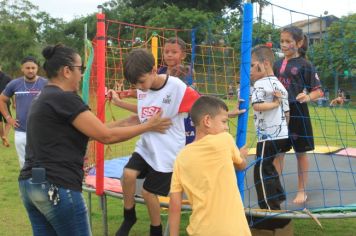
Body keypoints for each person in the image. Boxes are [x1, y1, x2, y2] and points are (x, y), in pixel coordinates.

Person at [18, 44, 172, 236]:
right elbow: (105, 136)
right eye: (80, 69)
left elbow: (94, 131)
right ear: (67, 71)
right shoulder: (65, 98)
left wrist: (130, 121)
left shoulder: (44, 97)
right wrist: (149, 126)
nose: (82, 75)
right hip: (57, 184)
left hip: (30, 184)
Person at [111, 48, 200, 236]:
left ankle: (156, 230)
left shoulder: (176, 87)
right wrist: (120, 104)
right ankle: (129, 217)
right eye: (135, 84)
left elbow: (202, 105)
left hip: (167, 153)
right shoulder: (143, 88)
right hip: (146, 147)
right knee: (127, 175)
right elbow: (143, 113)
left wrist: (226, 114)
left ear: (153, 70)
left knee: (148, 192)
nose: (140, 87)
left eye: (141, 82)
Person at [168, 95, 251, 236]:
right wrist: (241, 155)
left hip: (199, 230)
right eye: (224, 122)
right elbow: (241, 165)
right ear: (207, 121)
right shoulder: (225, 140)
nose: (226, 128)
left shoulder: (181, 157)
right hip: (232, 230)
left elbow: (175, 202)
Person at [273, 26, 323, 204]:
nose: (284, 45)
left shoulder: (305, 65)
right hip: (278, 112)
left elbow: (318, 91)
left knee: (301, 152)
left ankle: (302, 191)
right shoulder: (277, 64)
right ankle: (275, 189)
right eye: (282, 41)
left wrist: (307, 96)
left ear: (299, 43)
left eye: (288, 41)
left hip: (298, 111)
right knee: (278, 151)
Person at [250, 45, 290, 210]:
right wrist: (283, 128)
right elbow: (287, 112)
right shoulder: (280, 86)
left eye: (252, 65)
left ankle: (269, 207)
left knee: (260, 171)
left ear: (265, 63)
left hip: (268, 136)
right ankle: (278, 194)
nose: (250, 70)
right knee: (269, 167)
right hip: (281, 135)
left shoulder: (260, 83)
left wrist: (273, 104)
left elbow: (257, 105)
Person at [0, 56, 47, 167]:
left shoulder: (46, 83)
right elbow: (1, 100)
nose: (30, 70)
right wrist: (8, 118)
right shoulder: (15, 84)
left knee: (43, 162)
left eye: (33, 68)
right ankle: (26, 184)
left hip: (42, 131)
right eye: (27, 68)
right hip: (21, 131)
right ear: (22, 69)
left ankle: (43, 184)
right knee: (24, 163)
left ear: (37, 68)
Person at [0, 64, 12, 147]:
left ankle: (3, 137)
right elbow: (13, 90)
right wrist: (14, 102)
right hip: (4, 100)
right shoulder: (7, 77)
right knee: (8, 120)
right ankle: (5, 136)